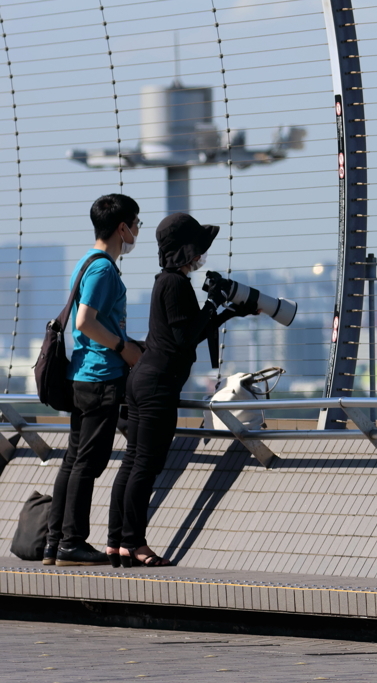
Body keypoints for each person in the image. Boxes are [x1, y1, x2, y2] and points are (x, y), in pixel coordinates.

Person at [106, 213, 255, 567]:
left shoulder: (167, 282)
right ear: (185, 250)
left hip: (145, 378)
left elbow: (191, 329)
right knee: (146, 464)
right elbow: (183, 338)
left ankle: (117, 542)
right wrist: (213, 305)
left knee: (133, 462)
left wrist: (229, 313)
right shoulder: (174, 284)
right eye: (197, 249)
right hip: (157, 384)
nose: (201, 257)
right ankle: (135, 544)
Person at [44, 194, 145, 567]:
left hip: (81, 375)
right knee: (87, 463)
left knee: (74, 459)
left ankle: (54, 543)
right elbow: (86, 321)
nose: (137, 231)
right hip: (101, 377)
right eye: (136, 224)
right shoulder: (103, 269)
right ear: (122, 228)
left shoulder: (86, 263)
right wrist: (123, 347)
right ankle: (73, 542)